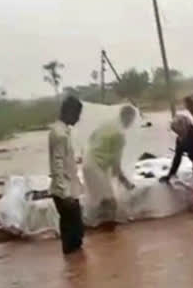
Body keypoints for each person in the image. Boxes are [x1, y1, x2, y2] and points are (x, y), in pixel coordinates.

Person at [82, 105, 136, 227]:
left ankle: (97, 226)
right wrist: (126, 183)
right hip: (95, 167)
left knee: (96, 199)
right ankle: (109, 233)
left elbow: (91, 140)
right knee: (110, 201)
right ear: (128, 118)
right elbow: (116, 165)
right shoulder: (119, 135)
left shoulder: (107, 124)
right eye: (132, 119)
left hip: (88, 163)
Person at [48, 95, 85, 254]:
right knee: (74, 236)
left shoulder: (60, 131)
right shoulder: (60, 134)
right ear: (69, 112)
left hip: (66, 189)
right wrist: (65, 194)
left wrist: (75, 160)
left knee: (73, 234)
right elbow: (57, 165)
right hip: (65, 191)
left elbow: (62, 158)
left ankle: (74, 272)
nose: (78, 118)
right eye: (77, 114)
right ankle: (75, 272)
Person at [160, 114, 193, 209]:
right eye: (175, 131)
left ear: (184, 126)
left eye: (178, 130)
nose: (177, 133)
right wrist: (170, 174)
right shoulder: (180, 139)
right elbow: (177, 158)